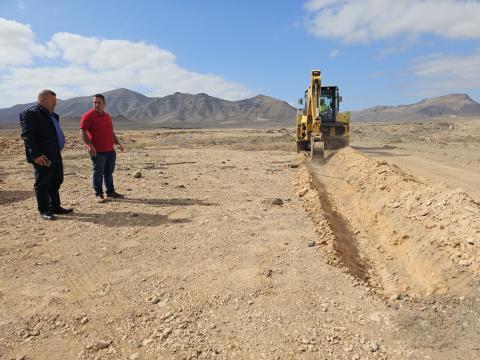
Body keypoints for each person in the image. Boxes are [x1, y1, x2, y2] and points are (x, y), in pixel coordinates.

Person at [20, 89, 73, 220]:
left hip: (55, 154)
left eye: (55, 101)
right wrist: (36, 155)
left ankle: (55, 206)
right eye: (52, 101)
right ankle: (44, 209)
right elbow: (28, 135)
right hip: (42, 156)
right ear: (42, 100)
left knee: (57, 179)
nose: (55, 104)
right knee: (42, 182)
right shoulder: (30, 114)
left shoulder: (53, 115)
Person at [80, 94, 124, 203]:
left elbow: (111, 132)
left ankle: (110, 191)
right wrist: (89, 145)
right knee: (98, 172)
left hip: (110, 150)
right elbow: (82, 131)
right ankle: (99, 194)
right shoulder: (88, 115)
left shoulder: (107, 116)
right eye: (94, 102)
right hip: (98, 151)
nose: (96, 104)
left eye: (99, 102)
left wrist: (117, 143)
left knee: (109, 172)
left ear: (104, 104)